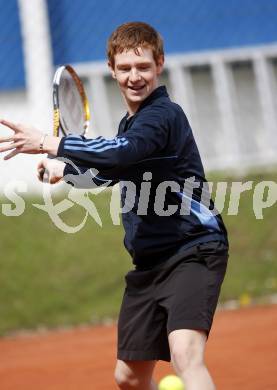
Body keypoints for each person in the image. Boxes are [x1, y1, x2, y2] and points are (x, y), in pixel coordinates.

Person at [0, 22, 228, 390]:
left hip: (193, 249)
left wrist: (49, 142)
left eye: (143, 67)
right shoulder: (131, 124)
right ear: (112, 69)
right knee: (129, 378)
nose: (134, 76)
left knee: (186, 354)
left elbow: (124, 152)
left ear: (160, 64)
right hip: (149, 262)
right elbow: (113, 172)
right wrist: (66, 172)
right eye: (125, 68)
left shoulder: (163, 116)